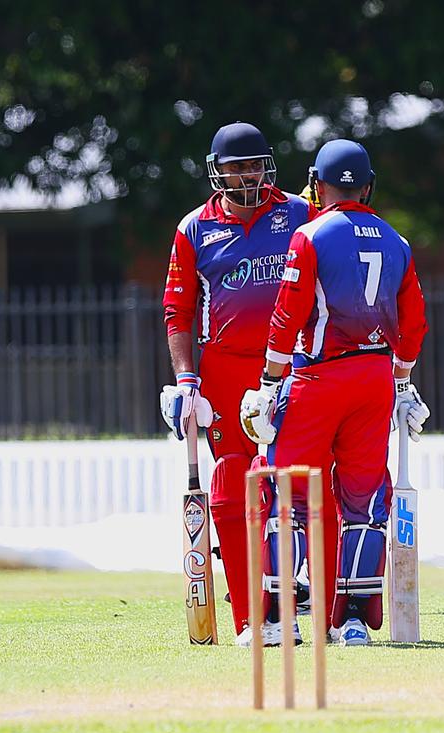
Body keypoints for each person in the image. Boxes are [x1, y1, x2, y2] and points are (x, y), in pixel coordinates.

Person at [240, 139, 430, 646]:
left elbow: (288, 314)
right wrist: (403, 381)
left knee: (288, 493)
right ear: (368, 186)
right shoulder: (397, 241)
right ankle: (350, 623)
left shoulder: (310, 234)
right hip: (374, 381)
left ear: (317, 184)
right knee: (364, 501)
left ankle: (281, 621)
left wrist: (267, 383)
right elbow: (413, 323)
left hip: (318, 378)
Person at [160, 121, 319, 647]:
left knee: (296, 481)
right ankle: (253, 615)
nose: (248, 176)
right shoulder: (194, 228)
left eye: (255, 165)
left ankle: (322, 607)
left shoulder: (299, 213)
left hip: (294, 364)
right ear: (217, 172)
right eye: (237, 167)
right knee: (232, 484)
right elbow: (178, 311)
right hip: (226, 370)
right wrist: (187, 381)